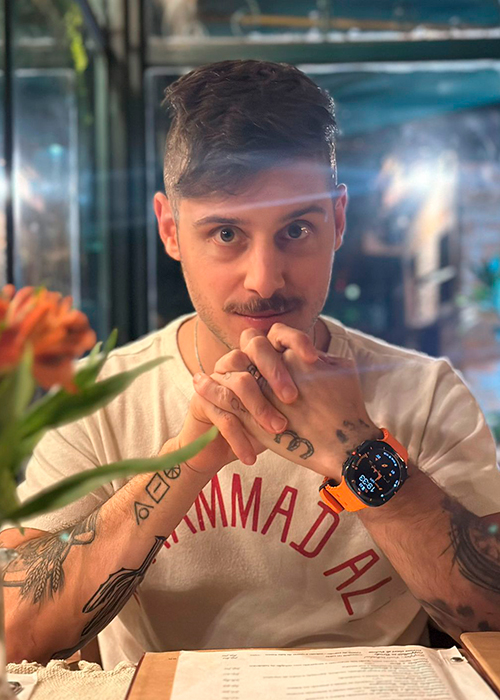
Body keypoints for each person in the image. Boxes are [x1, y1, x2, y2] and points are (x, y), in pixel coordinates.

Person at [3, 60, 500, 669]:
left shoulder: (425, 394)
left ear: (338, 219)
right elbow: (14, 634)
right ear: (171, 229)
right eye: (226, 234)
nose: (264, 280)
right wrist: (185, 460)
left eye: (296, 229)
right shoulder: (99, 399)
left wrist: (360, 451)